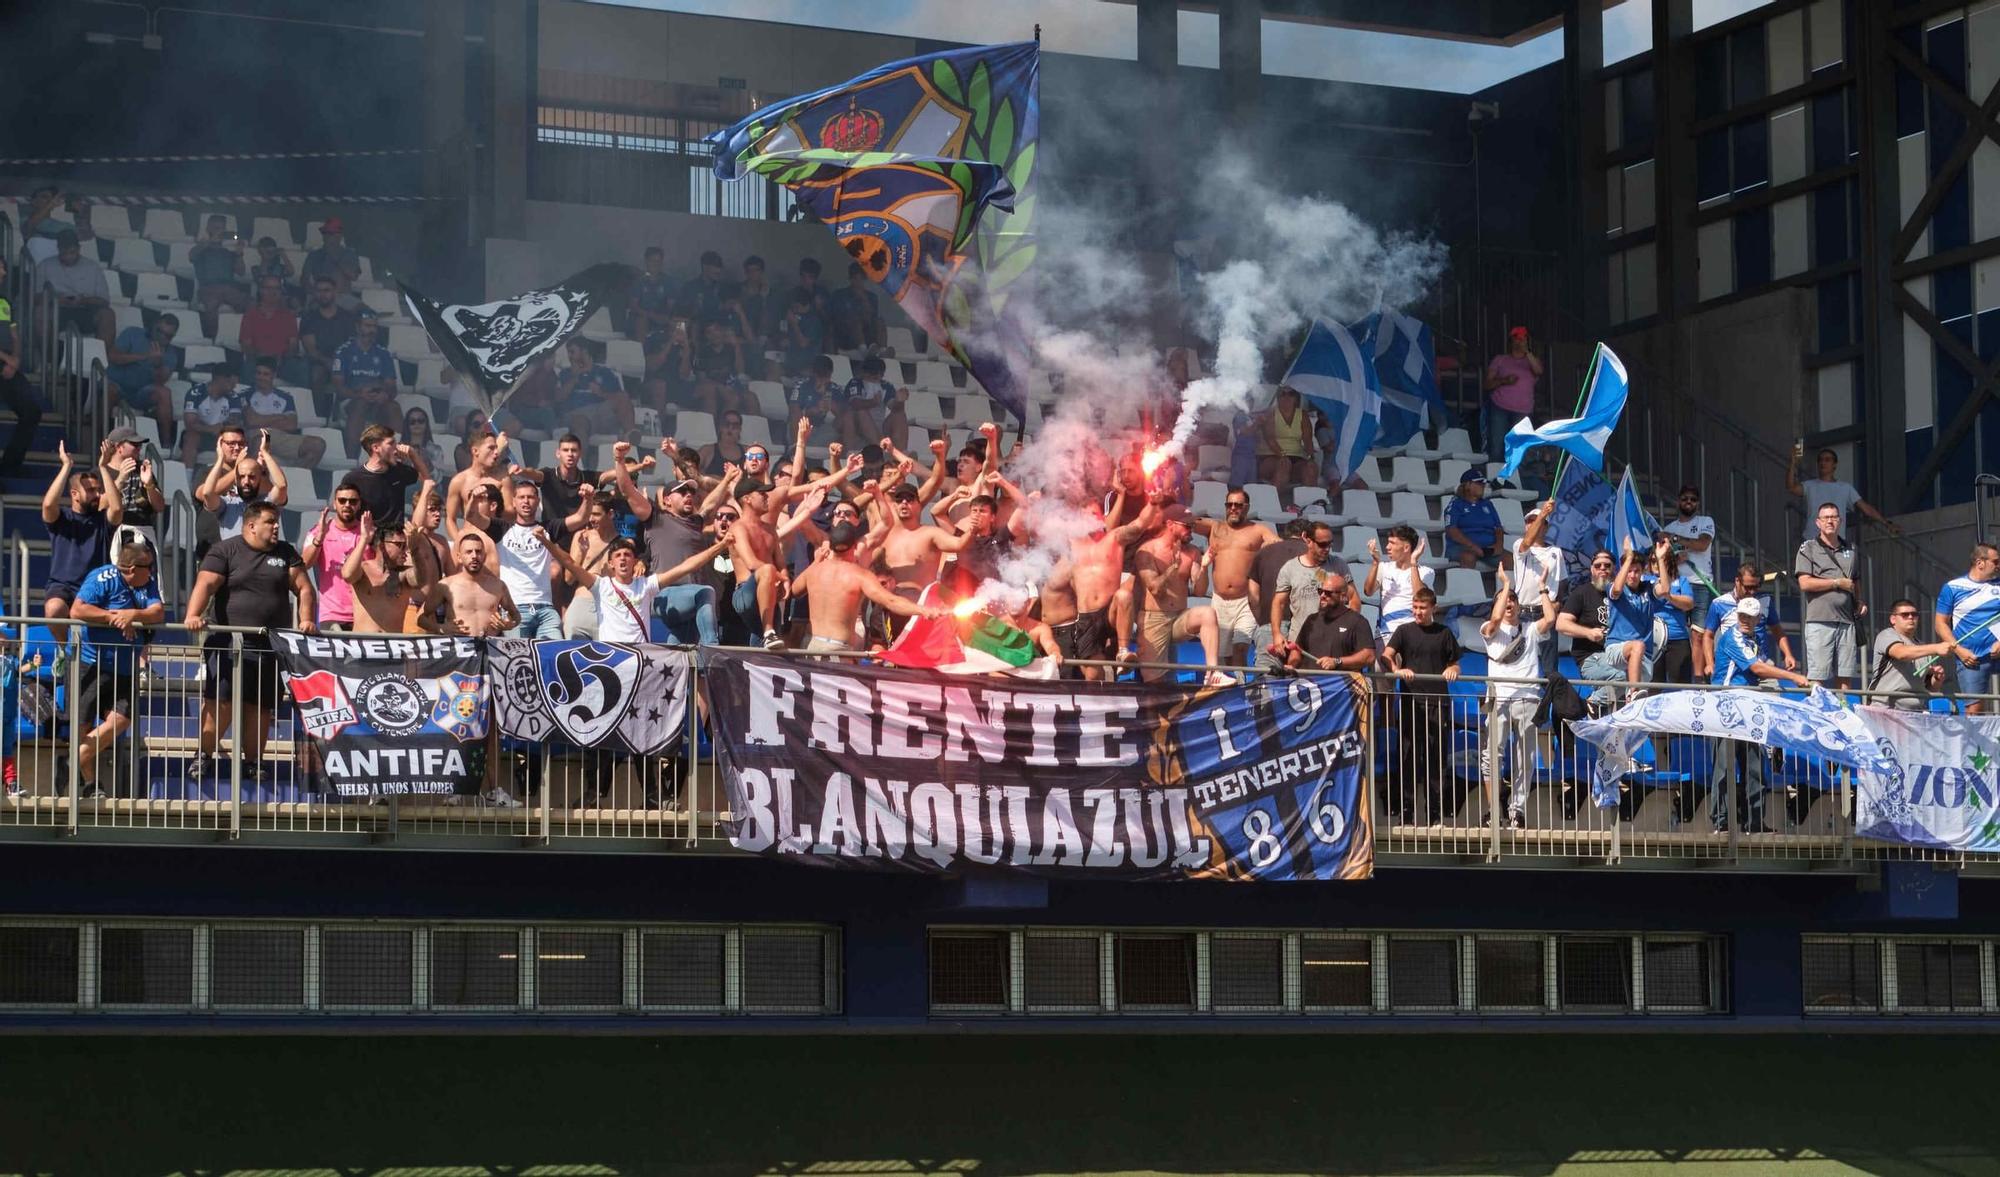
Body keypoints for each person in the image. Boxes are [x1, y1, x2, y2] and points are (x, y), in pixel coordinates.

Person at [182, 501, 315, 786]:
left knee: (261, 706)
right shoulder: (225, 550)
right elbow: (205, 584)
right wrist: (193, 614)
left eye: (277, 521)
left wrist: (306, 620)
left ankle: (253, 762)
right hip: (228, 642)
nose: (276, 526)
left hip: (269, 644)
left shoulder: (285, 553)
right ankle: (203, 754)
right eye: (270, 521)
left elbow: (304, 587)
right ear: (251, 525)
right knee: (222, 702)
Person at [67, 540, 166, 798]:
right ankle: (89, 783)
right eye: (149, 567)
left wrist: (131, 614)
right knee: (83, 723)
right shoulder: (102, 577)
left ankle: (70, 762)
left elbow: (157, 612)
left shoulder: (147, 583)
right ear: (132, 569)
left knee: (122, 719)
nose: (152, 572)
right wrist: (113, 617)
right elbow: (77, 609)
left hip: (124, 667)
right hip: (91, 662)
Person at [1708, 596, 1811, 833]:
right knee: (1723, 767)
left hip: (1749, 707)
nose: (1745, 620)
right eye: (1741, 615)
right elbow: (1757, 668)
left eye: (1750, 617)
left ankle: (1754, 822)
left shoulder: (1754, 639)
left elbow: (1761, 668)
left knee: (1755, 765)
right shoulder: (1732, 636)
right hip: (1726, 707)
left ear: (1757, 619)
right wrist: (1794, 677)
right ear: (1737, 616)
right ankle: (1722, 823)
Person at [548, 530, 730, 644]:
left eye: (627, 555)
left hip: (641, 657)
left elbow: (686, 566)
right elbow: (570, 563)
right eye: (617, 555)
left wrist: (720, 546)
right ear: (611, 564)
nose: (622, 558)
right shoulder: (600, 586)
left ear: (635, 561)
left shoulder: (646, 585)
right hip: (612, 656)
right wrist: (546, 542)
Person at [1482, 568, 1556, 830]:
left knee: (1526, 757)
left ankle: (1518, 810)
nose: (1509, 602)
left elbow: (1550, 618)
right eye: (1504, 598)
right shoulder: (1489, 629)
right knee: (1493, 756)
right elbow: (1494, 619)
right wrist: (1506, 583)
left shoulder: (1530, 629)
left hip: (1528, 697)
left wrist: (1543, 588)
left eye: (1513, 598)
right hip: (1499, 699)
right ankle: (1493, 810)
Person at [1384, 585, 1461, 823]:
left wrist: (1452, 670)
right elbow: (1386, 655)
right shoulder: (1404, 630)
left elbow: (1455, 663)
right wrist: (1397, 670)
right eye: (1415, 607)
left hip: (1438, 703)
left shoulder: (1445, 633)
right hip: (1410, 702)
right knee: (1407, 756)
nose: (1418, 612)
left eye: (1422, 608)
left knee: (1436, 759)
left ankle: (1434, 815)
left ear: (1433, 608)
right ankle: (1406, 813)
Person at [1133, 506, 1231, 684]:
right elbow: (1154, 588)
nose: (1191, 530)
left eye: (1192, 525)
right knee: (1155, 683)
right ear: (1170, 524)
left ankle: (1213, 672)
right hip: (1154, 618)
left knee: (1207, 613)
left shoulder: (1192, 551)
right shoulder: (1148, 551)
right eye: (1186, 526)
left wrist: (1204, 567)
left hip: (1179, 615)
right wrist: (1173, 567)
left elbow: (1200, 591)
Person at [1189, 489, 1278, 666]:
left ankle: (1242, 687)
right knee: (1222, 658)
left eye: (1238, 505)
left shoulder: (1258, 529)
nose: (1233, 508)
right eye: (1229, 504)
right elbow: (1185, 521)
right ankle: (1227, 688)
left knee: (1239, 649)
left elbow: (1278, 543)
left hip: (1246, 600)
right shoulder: (1214, 527)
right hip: (1219, 601)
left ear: (1247, 507)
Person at [1579, 537, 1672, 706]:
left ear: (1642, 572)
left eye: (1636, 571)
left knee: (1628, 707)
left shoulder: (1648, 590)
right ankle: (1633, 692)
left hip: (1644, 657)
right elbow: (1616, 589)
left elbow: (1665, 589)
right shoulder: (1614, 588)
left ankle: (1596, 705)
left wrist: (1660, 558)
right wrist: (1627, 558)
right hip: (1617, 649)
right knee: (1637, 646)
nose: (1633, 575)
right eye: (1629, 570)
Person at [481, 479, 566, 640]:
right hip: (514, 608)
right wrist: (473, 499)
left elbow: (581, 519)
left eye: (530, 497)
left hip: (545, 609)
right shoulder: (502, 529)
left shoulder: (547, 529)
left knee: (555, 655)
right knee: (518, 661)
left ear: (538, 501)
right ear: (513, 502)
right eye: (521, 497)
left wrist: (588, 499)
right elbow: (472, 517)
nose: (526, 501)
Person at [1794, 502, 1865, 690]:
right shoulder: (1808, 548)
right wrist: (1836, 583)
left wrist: (1860, 602)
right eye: (1826, 518)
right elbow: (1804, 583)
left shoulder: (1851, 549)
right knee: (1818, 676)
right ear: (1818, 522)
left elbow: (1856, 580)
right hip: (1820, 620)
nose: (1830, 521)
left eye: (1834, 517)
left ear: (1840, 521)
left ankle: (1842, 711)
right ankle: (1819, 713)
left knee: (1845, 675)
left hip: (1847, 621)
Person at [40, 441, 111, 619]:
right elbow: (48, 504)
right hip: (62, 585)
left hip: (96, 585)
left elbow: (116, 509)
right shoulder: (61, 518)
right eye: (90, 490)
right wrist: (66, 466)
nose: (97, 495)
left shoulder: (102, 519)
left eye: (98, 490)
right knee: (54, 608)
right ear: (74, 494)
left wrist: (103, 467)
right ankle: (65, 647)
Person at [340, 507, 435, 634]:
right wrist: (364, 539)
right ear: (382, 545)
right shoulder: (364, 569)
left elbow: (421, 581)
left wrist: (415, 549)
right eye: (399, 545)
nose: (405, 551)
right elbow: (347, 575)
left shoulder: (403, 574)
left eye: (406, 546)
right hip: (363, 645)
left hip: (393, 646)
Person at [1268, 521, 1351, 665]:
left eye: (1330, 544)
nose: (1327, 549)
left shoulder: (1338, 565)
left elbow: (1353, 598)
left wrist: (1347, 629)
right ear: (1307, 539)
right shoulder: (1290, 568)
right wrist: (1276, 633)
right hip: (1300, 642)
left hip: (1332, 639)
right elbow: (1278, 602)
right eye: (1322, 544)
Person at [1933, 543, 2000, 713]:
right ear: (1980, 563)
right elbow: (1940, 624)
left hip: (1997, 649)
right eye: (1996, 562)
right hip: (1970, 656)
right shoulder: (1953, 587)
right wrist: (1958, 650)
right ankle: (1975, 740)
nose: (1999, 566)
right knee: (1974, 709)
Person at [1701, 561, 1796, 678]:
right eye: (1748, 587)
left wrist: (1788, 654)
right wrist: (1710, 663)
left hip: (1762, 663)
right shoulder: (1719, 603)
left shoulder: (1765, 601)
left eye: (1756, 587)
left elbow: (1777, 630)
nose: (1752, 592)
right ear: (1737, 581)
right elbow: (1708, 636)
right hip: (1734, 666)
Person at [1787, 444, 1898, 541]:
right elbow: (1791, 487)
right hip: (1813, 540)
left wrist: (1886, 523)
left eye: (1827, 460)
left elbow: (1866, 508)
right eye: (1820, 460)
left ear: (1835, 465)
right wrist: (1793, 462)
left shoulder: (1845, 487)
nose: (1823, 463)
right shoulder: (1810, 485)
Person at [197, 430, 289, 542]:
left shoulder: (267, 503)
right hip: (233, 557)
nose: (246, 481)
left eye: (252, 477)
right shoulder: (227, 504)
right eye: (241, 477)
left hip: (262, 557)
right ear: (236, 479)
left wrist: (265, 453)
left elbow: (281, 485)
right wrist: (220, 459)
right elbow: (207, 493)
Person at [428, 531, 521, 639]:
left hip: (491, 647)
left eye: (478, 552)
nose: (474, 556)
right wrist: (441, 628)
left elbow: (516, 616)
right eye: (468, 552)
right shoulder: (446, 585)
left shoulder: (498, 586)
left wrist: (509, 624)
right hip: (459, 647)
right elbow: (421, 618)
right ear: (459, 557)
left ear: (484, 556)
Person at [301, 482, 367, 631]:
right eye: (342, 500)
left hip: (363, 613)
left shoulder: (368, 532)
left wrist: (367, 538)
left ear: (359, 504)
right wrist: (320, 538)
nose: (347, 505)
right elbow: (304, 563)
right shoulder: (319, 530)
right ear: (334, 503)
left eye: (353, 501)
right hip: (331, 615)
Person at [1286, 568, 1376, 673]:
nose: (1323, 596)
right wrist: (1291, 666)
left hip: (1339, 685)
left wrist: (1337, 662)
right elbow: (1297, 650)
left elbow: (1369, 656)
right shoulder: (1312, 619)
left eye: (1328, 593)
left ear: (1342, 596)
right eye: (1320, 591)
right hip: (1309, 683)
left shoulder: (1357, 622)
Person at [1870, 598, 1952, 711]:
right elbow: (1901, 653)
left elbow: (1931, 688)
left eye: (1914, 614)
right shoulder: (1886, 635)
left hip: (1916, 711)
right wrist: (1936, 647)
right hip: (1886, 708)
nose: (1910, 617)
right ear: (1893, 619)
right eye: (1905, 615)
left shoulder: (1922, 647)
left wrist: (1937, 678)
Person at [1511, 500, 1564, 676]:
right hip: (1524, 613)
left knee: (1550, 669)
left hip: (1547, 613)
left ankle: (1553, 703)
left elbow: (1563, 582)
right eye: (1530, 521)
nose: (1534, 524)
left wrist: (1558, 604)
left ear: (1546, 527)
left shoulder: (1556, 552)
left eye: (1538, 521)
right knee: (1523, 665)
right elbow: (1527, 542)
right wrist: (1542, 514)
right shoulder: (1519, 545)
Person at [34, 229, 114, 343]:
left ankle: (100, 356)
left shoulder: (92, 267)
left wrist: (84, 300)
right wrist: (55, 299)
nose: (68, 257)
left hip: (85, 310)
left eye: (72, 252)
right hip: (56, 310)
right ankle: (47, 356)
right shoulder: (45, 265)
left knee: (108, 315)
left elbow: (104, 301)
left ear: (79, 249)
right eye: (64, 253)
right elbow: (34, 297)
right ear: (58, 249)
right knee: (40, 312)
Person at [243, 358, 326, 466]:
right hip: (256, 435)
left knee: (318, 445)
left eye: (265, 374)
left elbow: (291, 425)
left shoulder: (286, 397)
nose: (261, 377)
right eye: (258, 373)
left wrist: (261, 418)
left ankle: (296, 477)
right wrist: (279, 417)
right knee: (261, 442)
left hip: (281, 437)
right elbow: (252, 422)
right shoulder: (245, 394)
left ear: (273, 375)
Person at [0, 257, 40, 478]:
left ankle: (9, 466)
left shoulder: (4, 301)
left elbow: (15, 335)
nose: (4, 272)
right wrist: (8, 359)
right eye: (1, 267)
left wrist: (14, 359)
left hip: (8, 365)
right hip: (4, 361)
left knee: (32, 412)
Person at [346, 424, 430, 528]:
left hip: (395, 539)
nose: (397, 447)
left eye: (396, 442)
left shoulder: (399, 471)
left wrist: (413, 454)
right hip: (368, 539)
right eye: (391, 443)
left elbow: (427, 481)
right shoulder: (353, 479)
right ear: (376, 448)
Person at [1483, 325, 1542, 464]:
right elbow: (1486, 384)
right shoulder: (1500, 359)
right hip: (1500, 407)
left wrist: (1527, 352)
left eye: (1523, 338)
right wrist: (1504, 380)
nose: (1519, 341)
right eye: (1516, 338)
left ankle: (1515, 481)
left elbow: (1539, 371)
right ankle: (1495, 478)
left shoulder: (1532, 360)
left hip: (1523, 411)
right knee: (1497, 446)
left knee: (1518, 448)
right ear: (1511, 341)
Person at [1364, 524, 1434, 641]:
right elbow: (1368, 591)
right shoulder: (1383, 567)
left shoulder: (1426, 572)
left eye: (1392, 543)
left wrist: (1413, 563)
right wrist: (1376, 562)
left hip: (1415, 631)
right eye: (1388, 542)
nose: (1387, 547)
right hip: (1386, 631)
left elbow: (1421, 597)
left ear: (1406, 548)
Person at [556, 338, 635, 439]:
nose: (569, 356)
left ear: (584, 352)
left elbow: (619, 397)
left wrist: (601, 393)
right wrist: (575, 378)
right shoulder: (564, 373)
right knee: (580, 423)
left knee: (623, 397)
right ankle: (580, 454)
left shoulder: (604, 372)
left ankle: (631, 436)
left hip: (602, 412)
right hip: (577, 413)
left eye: (572, 352)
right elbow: (558, 398)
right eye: (568, 353)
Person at [107, 312, 183, 415]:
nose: (162, 336)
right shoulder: (133, 333)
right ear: (154, 325)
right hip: (117, 383)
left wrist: (158, 365)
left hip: (140, 393)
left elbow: (160, 381)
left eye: (167, 335)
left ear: (172, 337)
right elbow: (113, 357)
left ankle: (166, 432)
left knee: (164, 393)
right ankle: (100, 430)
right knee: (110, 389)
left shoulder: (171, 354)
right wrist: (145, 356)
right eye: (159, 331)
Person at [189, 214, 249, 340]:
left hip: (229, 288)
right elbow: (192, 255)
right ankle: (213, 340)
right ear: (208, 229)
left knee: (250, 304)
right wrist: (210, 241)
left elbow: (241, 272)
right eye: (215, 228)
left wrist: (239, 254)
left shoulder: (227, 252)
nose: (219, 232)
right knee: (211, 305)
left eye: (221, 229)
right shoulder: (201, 249)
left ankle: (246, 337)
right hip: (208, 289)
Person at [1558, 549, 1617, 671]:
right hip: (1590, 657)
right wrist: (1588, 633)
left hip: (1617, 653)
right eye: (1597, 565)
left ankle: (1603, 691)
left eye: (1607, 565)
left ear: (1614, 568)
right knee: (1625, 673)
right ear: (1591, 569)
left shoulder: (1622, 594)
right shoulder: (1581, 592)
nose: (1602, 568)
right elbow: (1561, 624)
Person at [837, 354, 908, 451]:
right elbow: (855, 404)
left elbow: (895, 408)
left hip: (879, 426)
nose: (876, 378)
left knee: (899, 414)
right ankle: (880, 448)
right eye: (872, 375)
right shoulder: (855, 383)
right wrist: (872, 402)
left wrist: (900, 401)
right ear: (864, 373)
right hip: (856, 427)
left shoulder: (886, 386)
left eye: (879, 375)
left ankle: (901, 455)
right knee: (861, 411)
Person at [179, 365, 246, 467]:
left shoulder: (233, 397)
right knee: (190, 437)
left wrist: (221, 428)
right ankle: (186, 479)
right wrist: (210, 428)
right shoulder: (196, 393)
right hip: (201, 435)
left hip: (223, 436)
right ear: (220, 379)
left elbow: (235, 421)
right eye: (231, 384)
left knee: (239, 439)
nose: (233, 387)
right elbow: (190, 423)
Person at [1255, 386, 1316, 500]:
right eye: (1283, 394)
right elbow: (1270, 439)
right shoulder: (1271, 414)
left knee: (1310, 468)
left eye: (1290, 394)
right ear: (1278, 398)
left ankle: (1308, 507)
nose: (1286, 397)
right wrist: (1282, 455)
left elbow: (1308, 440)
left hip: (1296, 457)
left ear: (1296, 398)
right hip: (1270, 456)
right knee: (1284, 464)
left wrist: (1311, 457)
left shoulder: (1302, 415)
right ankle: (1270, 504)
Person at [1652, 545, 1698, 685]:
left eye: (1659, 560)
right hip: (1653, 640)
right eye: (1653, 560)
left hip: (1678, 637)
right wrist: (1674, 598)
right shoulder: (1645, 580)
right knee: (1654, 684)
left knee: (1681, 684)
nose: (1656, 564)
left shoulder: (1681, 580)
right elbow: (1661, 591)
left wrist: (1669, 597)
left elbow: (1689, 603)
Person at [1443, 470, 1507, 569]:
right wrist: (1473, 547)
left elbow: (1498, 528)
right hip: (1462, 547)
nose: (1483, 486)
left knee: (1512, 560)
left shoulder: (1487, 504)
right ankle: (1467, 585)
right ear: (1467, 485)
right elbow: (1452, 530)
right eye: (1479, 483)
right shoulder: (1456, 504)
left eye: (1484, 483)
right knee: (1468, 557)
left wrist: (1498, 545)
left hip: (1488, 548)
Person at [826, 260, 886, 355]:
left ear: (864, 279)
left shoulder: (871, 297)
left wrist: (864, 300)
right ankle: (863, 351)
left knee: (880, 321)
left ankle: (882, 351)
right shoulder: (840, 295)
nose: (858, 282)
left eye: (861, 279)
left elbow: (872, 318)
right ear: (850, 279)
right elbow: (836, 318)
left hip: (867, 335)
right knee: (855, 319)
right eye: (855, 279)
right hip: (847, 336)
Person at [301, 217, 362, 302]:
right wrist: (316, 293)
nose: (327, 236)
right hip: (319, 298)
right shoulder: (313, 255)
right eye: (325, 233)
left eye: (331, 233)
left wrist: (334, 256)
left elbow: (354, 276)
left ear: (339, 236)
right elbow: (304, 279)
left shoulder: (350, 254)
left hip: (343, 298)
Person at [628, 245, 674, 339]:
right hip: (642, 317)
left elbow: (671, 306)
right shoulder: (639, 281)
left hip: (660, 318)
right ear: (646, 261)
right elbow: (633, 306)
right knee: (642, 320)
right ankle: (642, 351)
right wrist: (650, 315)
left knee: (675, 322)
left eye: (658, 261)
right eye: (652, 260)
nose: (655, 264)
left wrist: (665, 317)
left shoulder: (668, 282)